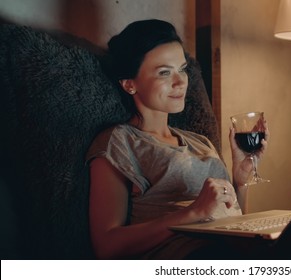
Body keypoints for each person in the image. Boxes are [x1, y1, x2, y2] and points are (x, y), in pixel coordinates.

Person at [86, 19, 269, 259]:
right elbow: (107, 247)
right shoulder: (119, 142)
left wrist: (240, 180)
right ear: (130, 84)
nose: (181, 81)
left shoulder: (200, 142)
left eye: (182, 69)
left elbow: (231, 222)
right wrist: (193, 213)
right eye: (164, 72)